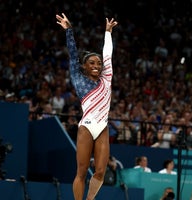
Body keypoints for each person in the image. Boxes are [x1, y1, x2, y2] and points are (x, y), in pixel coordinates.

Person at [56, 13, 118, 200]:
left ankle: (90, 199)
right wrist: (69, 30)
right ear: (83, 66)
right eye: (92, 63)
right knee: (81, 172)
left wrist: (108, 32)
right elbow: (73, 54)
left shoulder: (106, 78)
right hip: (86, 127)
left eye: (99, 64)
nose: (97, 66)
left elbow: (107, 53)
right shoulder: (79, 78)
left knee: (100, 171)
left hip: (102, 127)